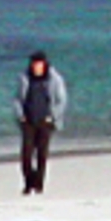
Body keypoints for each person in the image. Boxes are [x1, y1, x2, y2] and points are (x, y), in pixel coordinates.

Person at [13, 50, 67, 195]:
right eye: (34, 64)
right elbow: (18, 98)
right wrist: (20, 116)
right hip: (28, 121)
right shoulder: (24, 78)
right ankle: (29, 183)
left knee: (42, 155)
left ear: (44, 64)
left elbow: (61, 100)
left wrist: (53, 116)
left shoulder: (54, 79)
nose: (36, 67)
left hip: (45, 121)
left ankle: (39, 185)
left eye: (38, 64)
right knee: (26, 155)